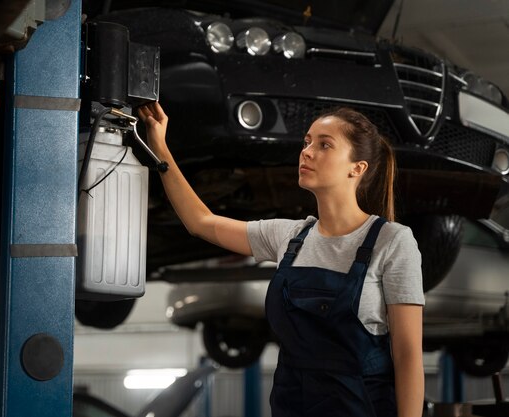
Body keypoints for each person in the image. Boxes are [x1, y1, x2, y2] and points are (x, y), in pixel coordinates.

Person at [138, 102, 424, 417]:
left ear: (357, 168)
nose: (307, 151)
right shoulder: (288, 237)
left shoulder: (393, 242)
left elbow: (408, 356)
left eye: (324, 144)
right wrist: (159, 146)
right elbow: (201, 222)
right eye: (307, 142)